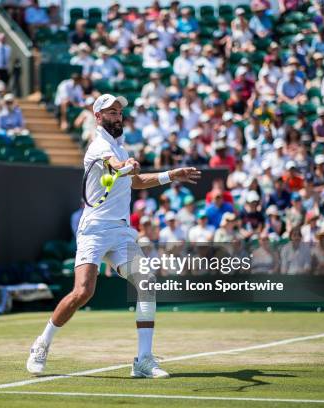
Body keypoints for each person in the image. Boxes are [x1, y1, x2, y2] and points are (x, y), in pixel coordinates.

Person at [26, 93, 201, 377]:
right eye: (110, 112)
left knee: (146, 281)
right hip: (94, 230)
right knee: (83, 292)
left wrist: (171, 175)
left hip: (120, 231)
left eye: (119, 111)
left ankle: (143, 360)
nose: (116, 116)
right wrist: (125, 166)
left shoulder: (120, 147)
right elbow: (116, 167)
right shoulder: (98, 147)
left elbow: (137, 181)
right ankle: (41, 344)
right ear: (98, 117)